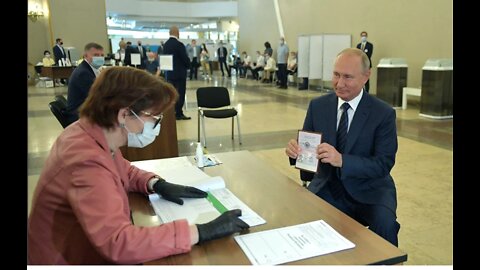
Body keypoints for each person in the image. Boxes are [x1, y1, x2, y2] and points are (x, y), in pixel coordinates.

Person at [27, 67, 250, 264]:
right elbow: (119, 242)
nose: (157, 124)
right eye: (154, 117)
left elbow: (122, 169)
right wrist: (201, 231)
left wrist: (156, 184)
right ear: (124, 114)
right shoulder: (85, 160)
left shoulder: (88, 132)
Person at [285, 48, 400, 246]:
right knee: (302, 221)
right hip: (328, 185)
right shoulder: (318, 106)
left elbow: (383, 164)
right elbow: (308, 159)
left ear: (366, 76)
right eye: (336, 75)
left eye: (348, 77)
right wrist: (296, 154)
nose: (339, 83)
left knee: (386, 226)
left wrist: (342, 160)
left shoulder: (383, 113)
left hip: (371, 189)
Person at [64, 42, 105, 125]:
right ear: (85, 56)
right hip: (79, 114)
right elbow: (98, 97)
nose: (100, 58)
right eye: (96, 55)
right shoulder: (83, 73)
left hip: (85, 109)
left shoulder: (89, 69)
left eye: (102, 55)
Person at [163, 25, 191, 120]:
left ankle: (172, 112)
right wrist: (189, 65)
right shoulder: (179, 45)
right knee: (180, 93)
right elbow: (184, 58)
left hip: (169, 74)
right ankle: (179, 113)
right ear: (177, 33)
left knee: (171, 94)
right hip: (179, 74)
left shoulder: (165, 45)